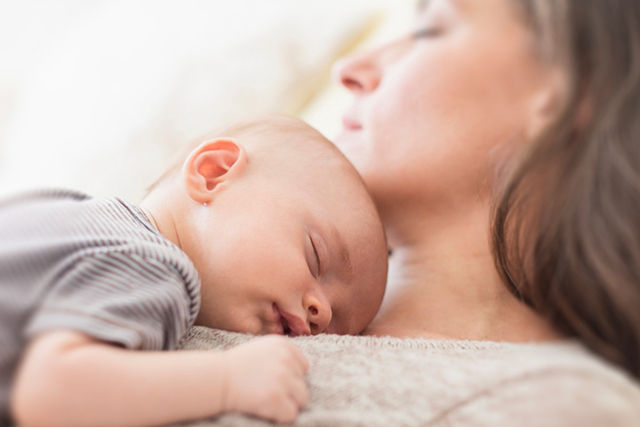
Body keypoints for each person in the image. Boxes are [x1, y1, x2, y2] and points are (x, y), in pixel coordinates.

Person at [289, 0, 639, 423]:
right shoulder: (234, 279)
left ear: (571, 90)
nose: (348, 67)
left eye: (429, 31)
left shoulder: (567, 409)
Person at [1, 116, 388, 426]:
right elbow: (50, 393)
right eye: (315, 257)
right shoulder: (156, 268)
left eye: (336, 328)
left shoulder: (75, 213)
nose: (321, 312)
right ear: (213, 172)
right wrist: (228, 380)